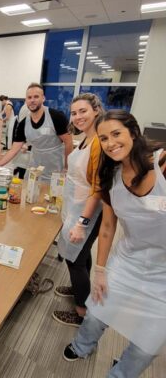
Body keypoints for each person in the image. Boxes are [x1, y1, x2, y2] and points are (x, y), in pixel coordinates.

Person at [63, 110, 166, 378]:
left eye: (117, 134)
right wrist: (100, 270)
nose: (111, 143)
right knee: (97, 312)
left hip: (164, 274)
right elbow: (108, 227)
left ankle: (120, 373)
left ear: (133, 132)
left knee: (147, 345)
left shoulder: (162, 162)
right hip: (129, 259)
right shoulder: (111, 176)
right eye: (104, 138)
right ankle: (82, 345)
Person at [52, 93, 104, 327]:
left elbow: (97, 189)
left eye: (83, 111)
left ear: (96, 110)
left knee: (76, 262)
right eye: (74, 113)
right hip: (76, 206)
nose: (78, 116)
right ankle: (77, 291)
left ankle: (81, 312)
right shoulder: (85, 138)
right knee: (81, 256)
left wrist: (82, 223)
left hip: (87, 211)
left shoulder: (98, 144)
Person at [0, 83, 73, 181]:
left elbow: (69, 142)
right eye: (29, 97)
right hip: (34, 169)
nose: (32, 100)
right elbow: (14, 149)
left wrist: (67, 168)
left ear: (43, 98)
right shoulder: (23, 123)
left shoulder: (57, 117)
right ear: (26, 100)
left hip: (56, 170)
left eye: (36, 97)